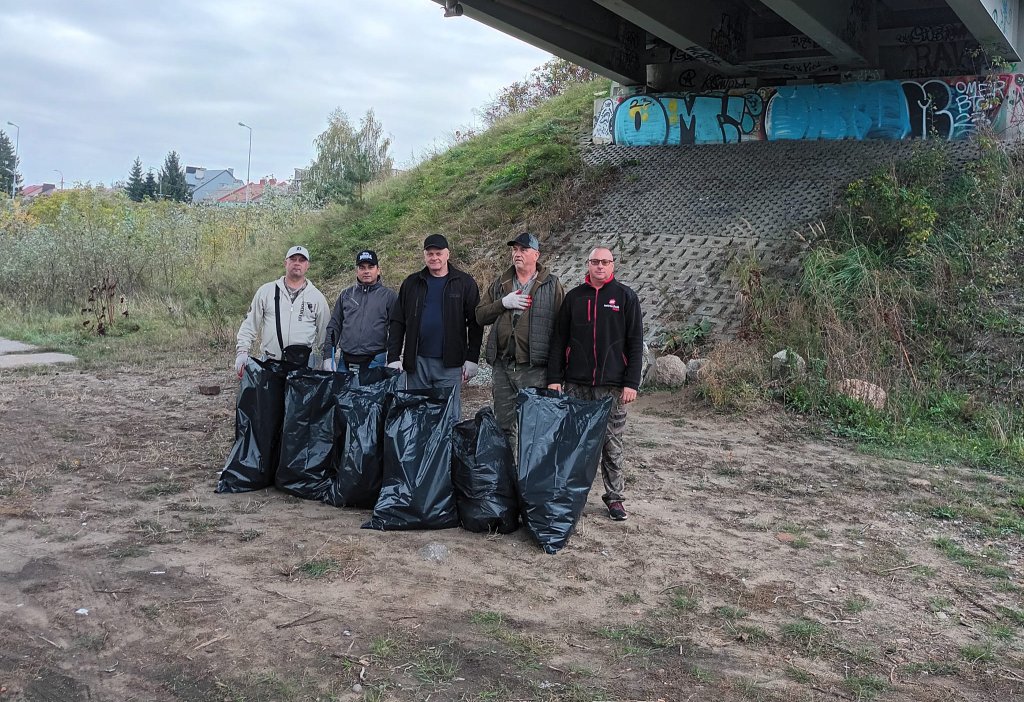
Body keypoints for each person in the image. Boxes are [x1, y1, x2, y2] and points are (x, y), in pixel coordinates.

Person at [547, 246, 644, 521]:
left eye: (605, 262)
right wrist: (555, 378)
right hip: (576, 384)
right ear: (587, 264)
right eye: (595, 261)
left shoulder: (625, 297)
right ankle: (572, 496)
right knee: (576, 443)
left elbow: (636, 344)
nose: (600, 266)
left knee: (611, 444)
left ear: (613, 265)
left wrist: (631, 383)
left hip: (612, 387)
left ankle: (615, 499)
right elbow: (559, 340)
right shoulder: (574, 298)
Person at [476, 232, 564, 451]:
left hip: (535, 369)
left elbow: (562, 329)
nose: (517, 254)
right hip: (503, 367)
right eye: (515, 249)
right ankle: (508, 480)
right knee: (503, 428)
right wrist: (502, 303)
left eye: (523, 250)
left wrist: (558, 373)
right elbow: (480, 315)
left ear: (536, 254)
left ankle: (531, 480)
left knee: (534, 429)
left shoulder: (552, 285)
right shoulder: (501, 283)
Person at [387, 234, 483, 418]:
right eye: (430, 254)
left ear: (448, 254)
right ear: (424, 256)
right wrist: (393, 356)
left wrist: (472, 358)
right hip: (417, 364)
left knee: (448, 418)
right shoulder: (411, 283)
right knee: (416, 416)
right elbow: (397, 321)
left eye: (438, 253)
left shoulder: (464, 283)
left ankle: (448, 447)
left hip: (450, 364)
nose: (434, 258)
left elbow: (476, 323)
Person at [234, 245, 330, 376]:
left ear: (307, 265)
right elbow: (250, 323)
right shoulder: (266, 291)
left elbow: (325, 331)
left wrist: (327, 358)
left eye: (301, 260)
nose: (297, 263)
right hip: (271, 363)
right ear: (286, 263)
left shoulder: (317, 297)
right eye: (293, 259)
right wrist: (242, 352)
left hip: (303, 366)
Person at [323, 249, 398, 374]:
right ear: (357, 271)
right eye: (362, 267)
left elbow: (396, 330)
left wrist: (393, 358)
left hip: (375, 361)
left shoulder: (389, 296)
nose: (366, 271)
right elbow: (334, 325)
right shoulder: (345, 295)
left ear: (378, 270)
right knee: (342, 394)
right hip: (345, 361)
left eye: (371, 267)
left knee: (373, 394)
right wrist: (327, 356)